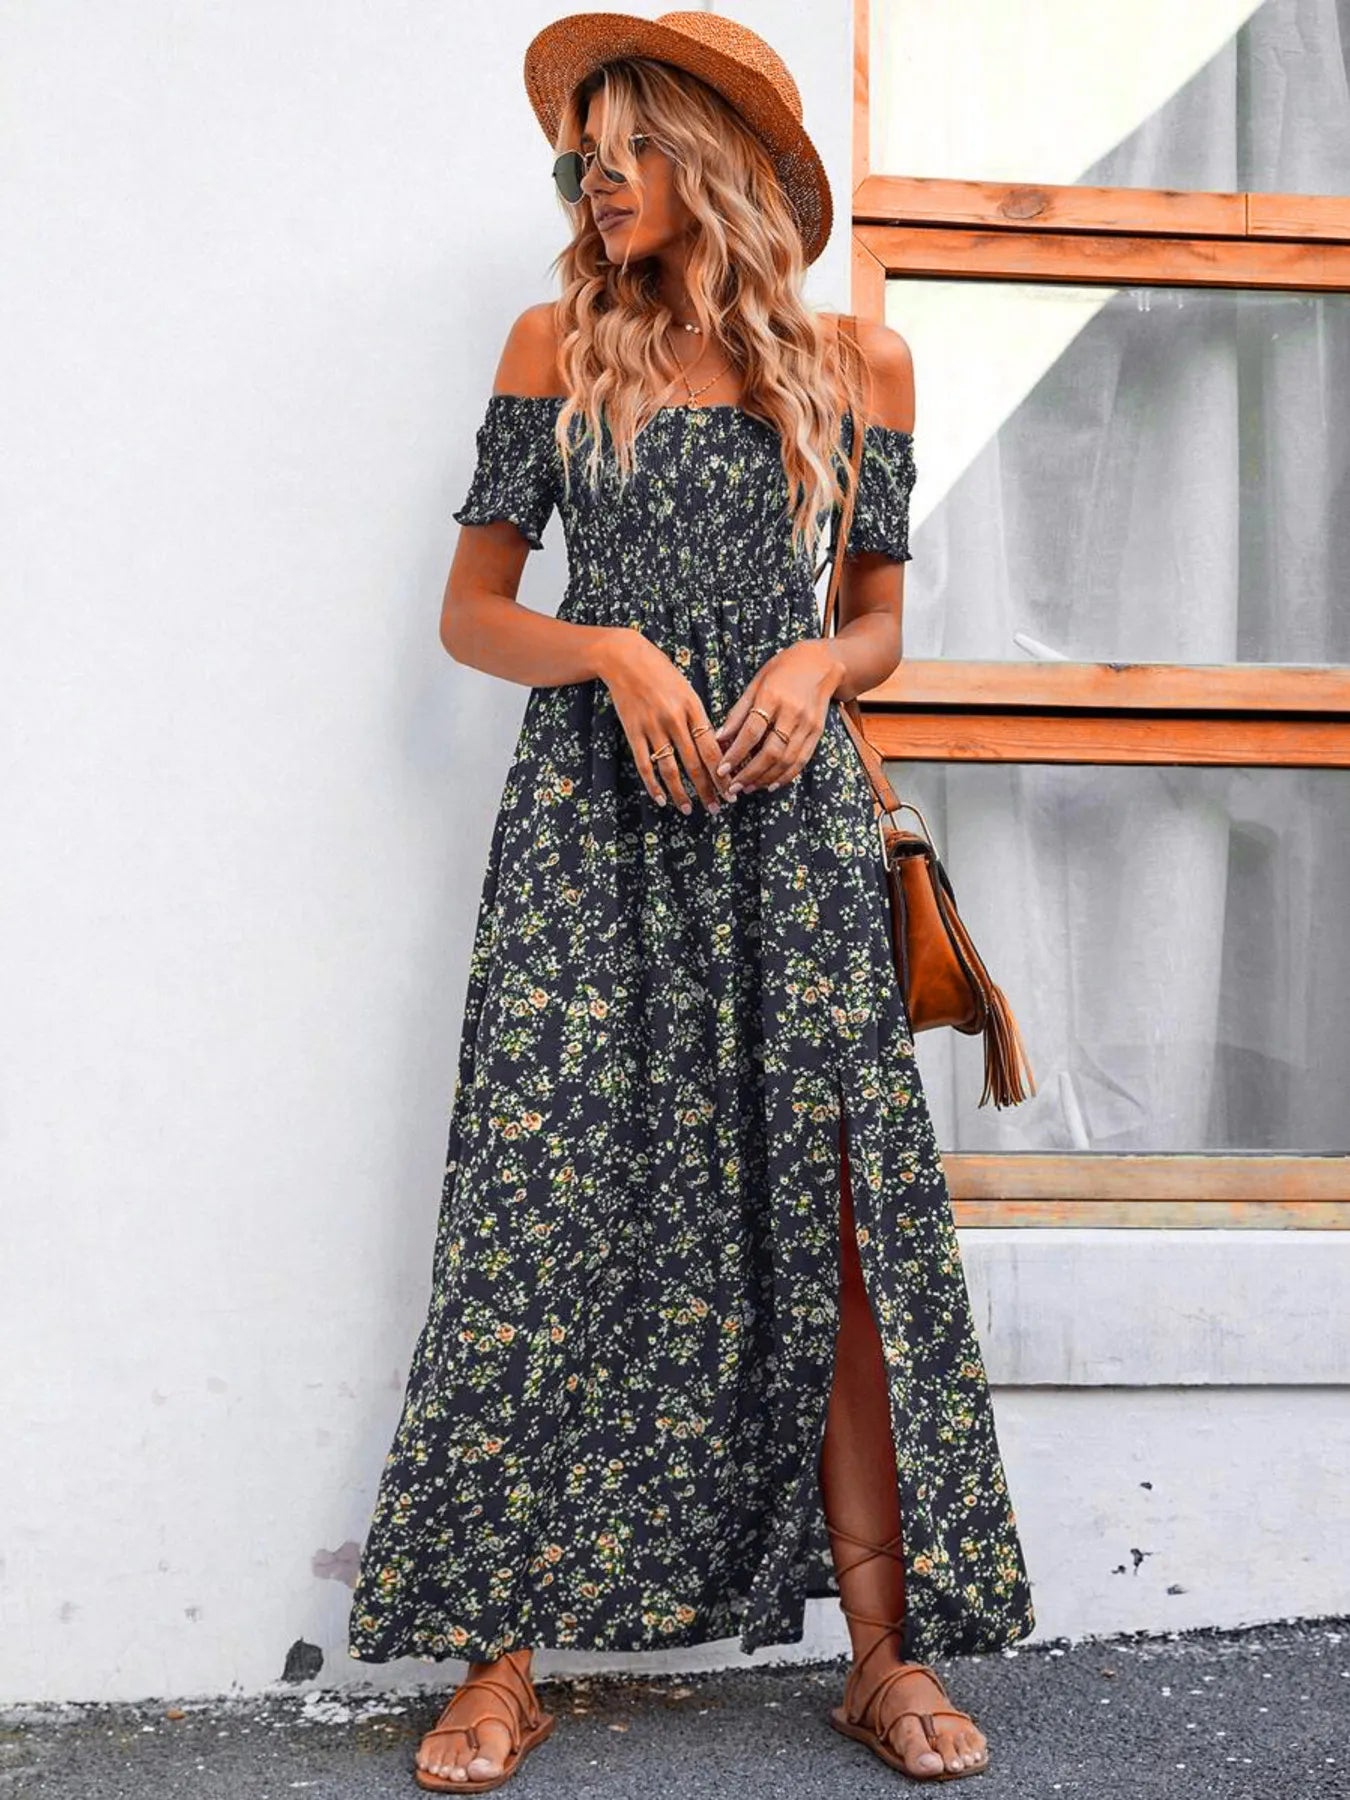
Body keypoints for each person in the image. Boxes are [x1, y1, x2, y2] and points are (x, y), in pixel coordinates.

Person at [347, 11, 1035, 1792]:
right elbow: (470, 613)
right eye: (576, 155)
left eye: (622, 148)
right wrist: (606, 651)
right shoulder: (553, 347)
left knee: (840, 1228)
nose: (589, 180)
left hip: (787, 837)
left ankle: (878, 1658)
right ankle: (498, 1662)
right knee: (537, 1217)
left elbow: (876, 621)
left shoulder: (861, 363)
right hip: (589, 831)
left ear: (710, 162)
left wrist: (816, 664)